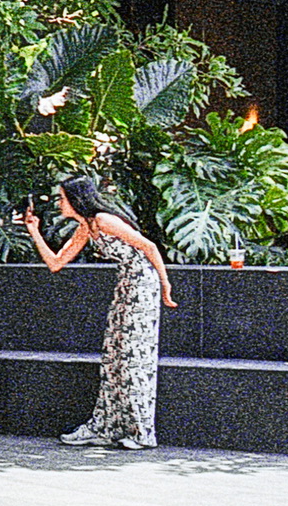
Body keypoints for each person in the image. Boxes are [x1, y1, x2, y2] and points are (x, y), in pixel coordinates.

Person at [16, 173, 176, 449]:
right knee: (114, 357)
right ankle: (105, 427)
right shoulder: (86, 227)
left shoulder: (103, 220)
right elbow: (56, 263)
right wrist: (34, 231)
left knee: (133, 356)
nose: (59, 203)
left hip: (142, 283)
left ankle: (141, 432)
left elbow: (148, 246)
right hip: (126, 282)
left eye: (62, 198)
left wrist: (165, 284)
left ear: (76, 199)